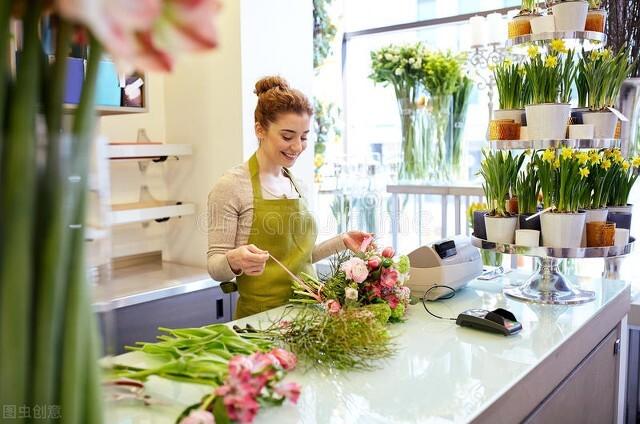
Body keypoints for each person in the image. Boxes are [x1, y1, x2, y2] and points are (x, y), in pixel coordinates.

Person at [207, 75, 371, 318]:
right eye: (287, 136)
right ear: (260, 130)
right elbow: (215, 267)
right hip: (260, 321)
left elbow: (301, 258)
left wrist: (342, 241)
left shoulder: (298, 185)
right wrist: (233, 260)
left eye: (303, 137)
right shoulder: (231, 187)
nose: (297, 146)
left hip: (310, 314)